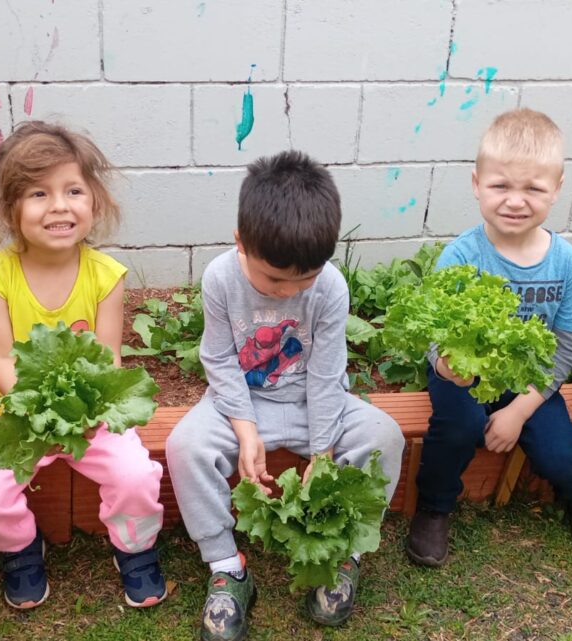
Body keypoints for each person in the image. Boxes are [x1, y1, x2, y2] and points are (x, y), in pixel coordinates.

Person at [165, 150, 405, 640]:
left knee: (386, 435)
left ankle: (346, 552)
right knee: (184, 446)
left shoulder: (331, 289)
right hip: (240, 405)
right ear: (241, 242)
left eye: (304, 279)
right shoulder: (219, 278)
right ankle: (227, 567)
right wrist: (244, 428)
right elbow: (218, 360)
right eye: (274, 278)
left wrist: (323, 448)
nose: (286, 291)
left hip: (311, 404)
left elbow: (325, 373)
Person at [0, 121, 168, 608]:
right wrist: (37, 407)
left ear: (95, 202)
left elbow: (108, 358)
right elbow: (2, 359)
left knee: (136, 475)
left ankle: (134, 547)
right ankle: (21, 547)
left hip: (90, 412)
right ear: (10, 208)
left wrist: (82, 413)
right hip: (17, 412)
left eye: (73, 190)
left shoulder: (106, 275)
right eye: (38, 194)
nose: (60, 206)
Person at [405, 108, 572, 568]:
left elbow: (565, 348)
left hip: (531, 381)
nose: (515, 201)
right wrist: (447, 366)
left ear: (556, 190)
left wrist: (520, 409)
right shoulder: (460, 255)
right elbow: (437, 333)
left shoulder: (567, 264)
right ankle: (435, 506)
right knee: (455, 429)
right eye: (500, 186)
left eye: (533, 188)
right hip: (462, 373)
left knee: (561, 454)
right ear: (477, 183)